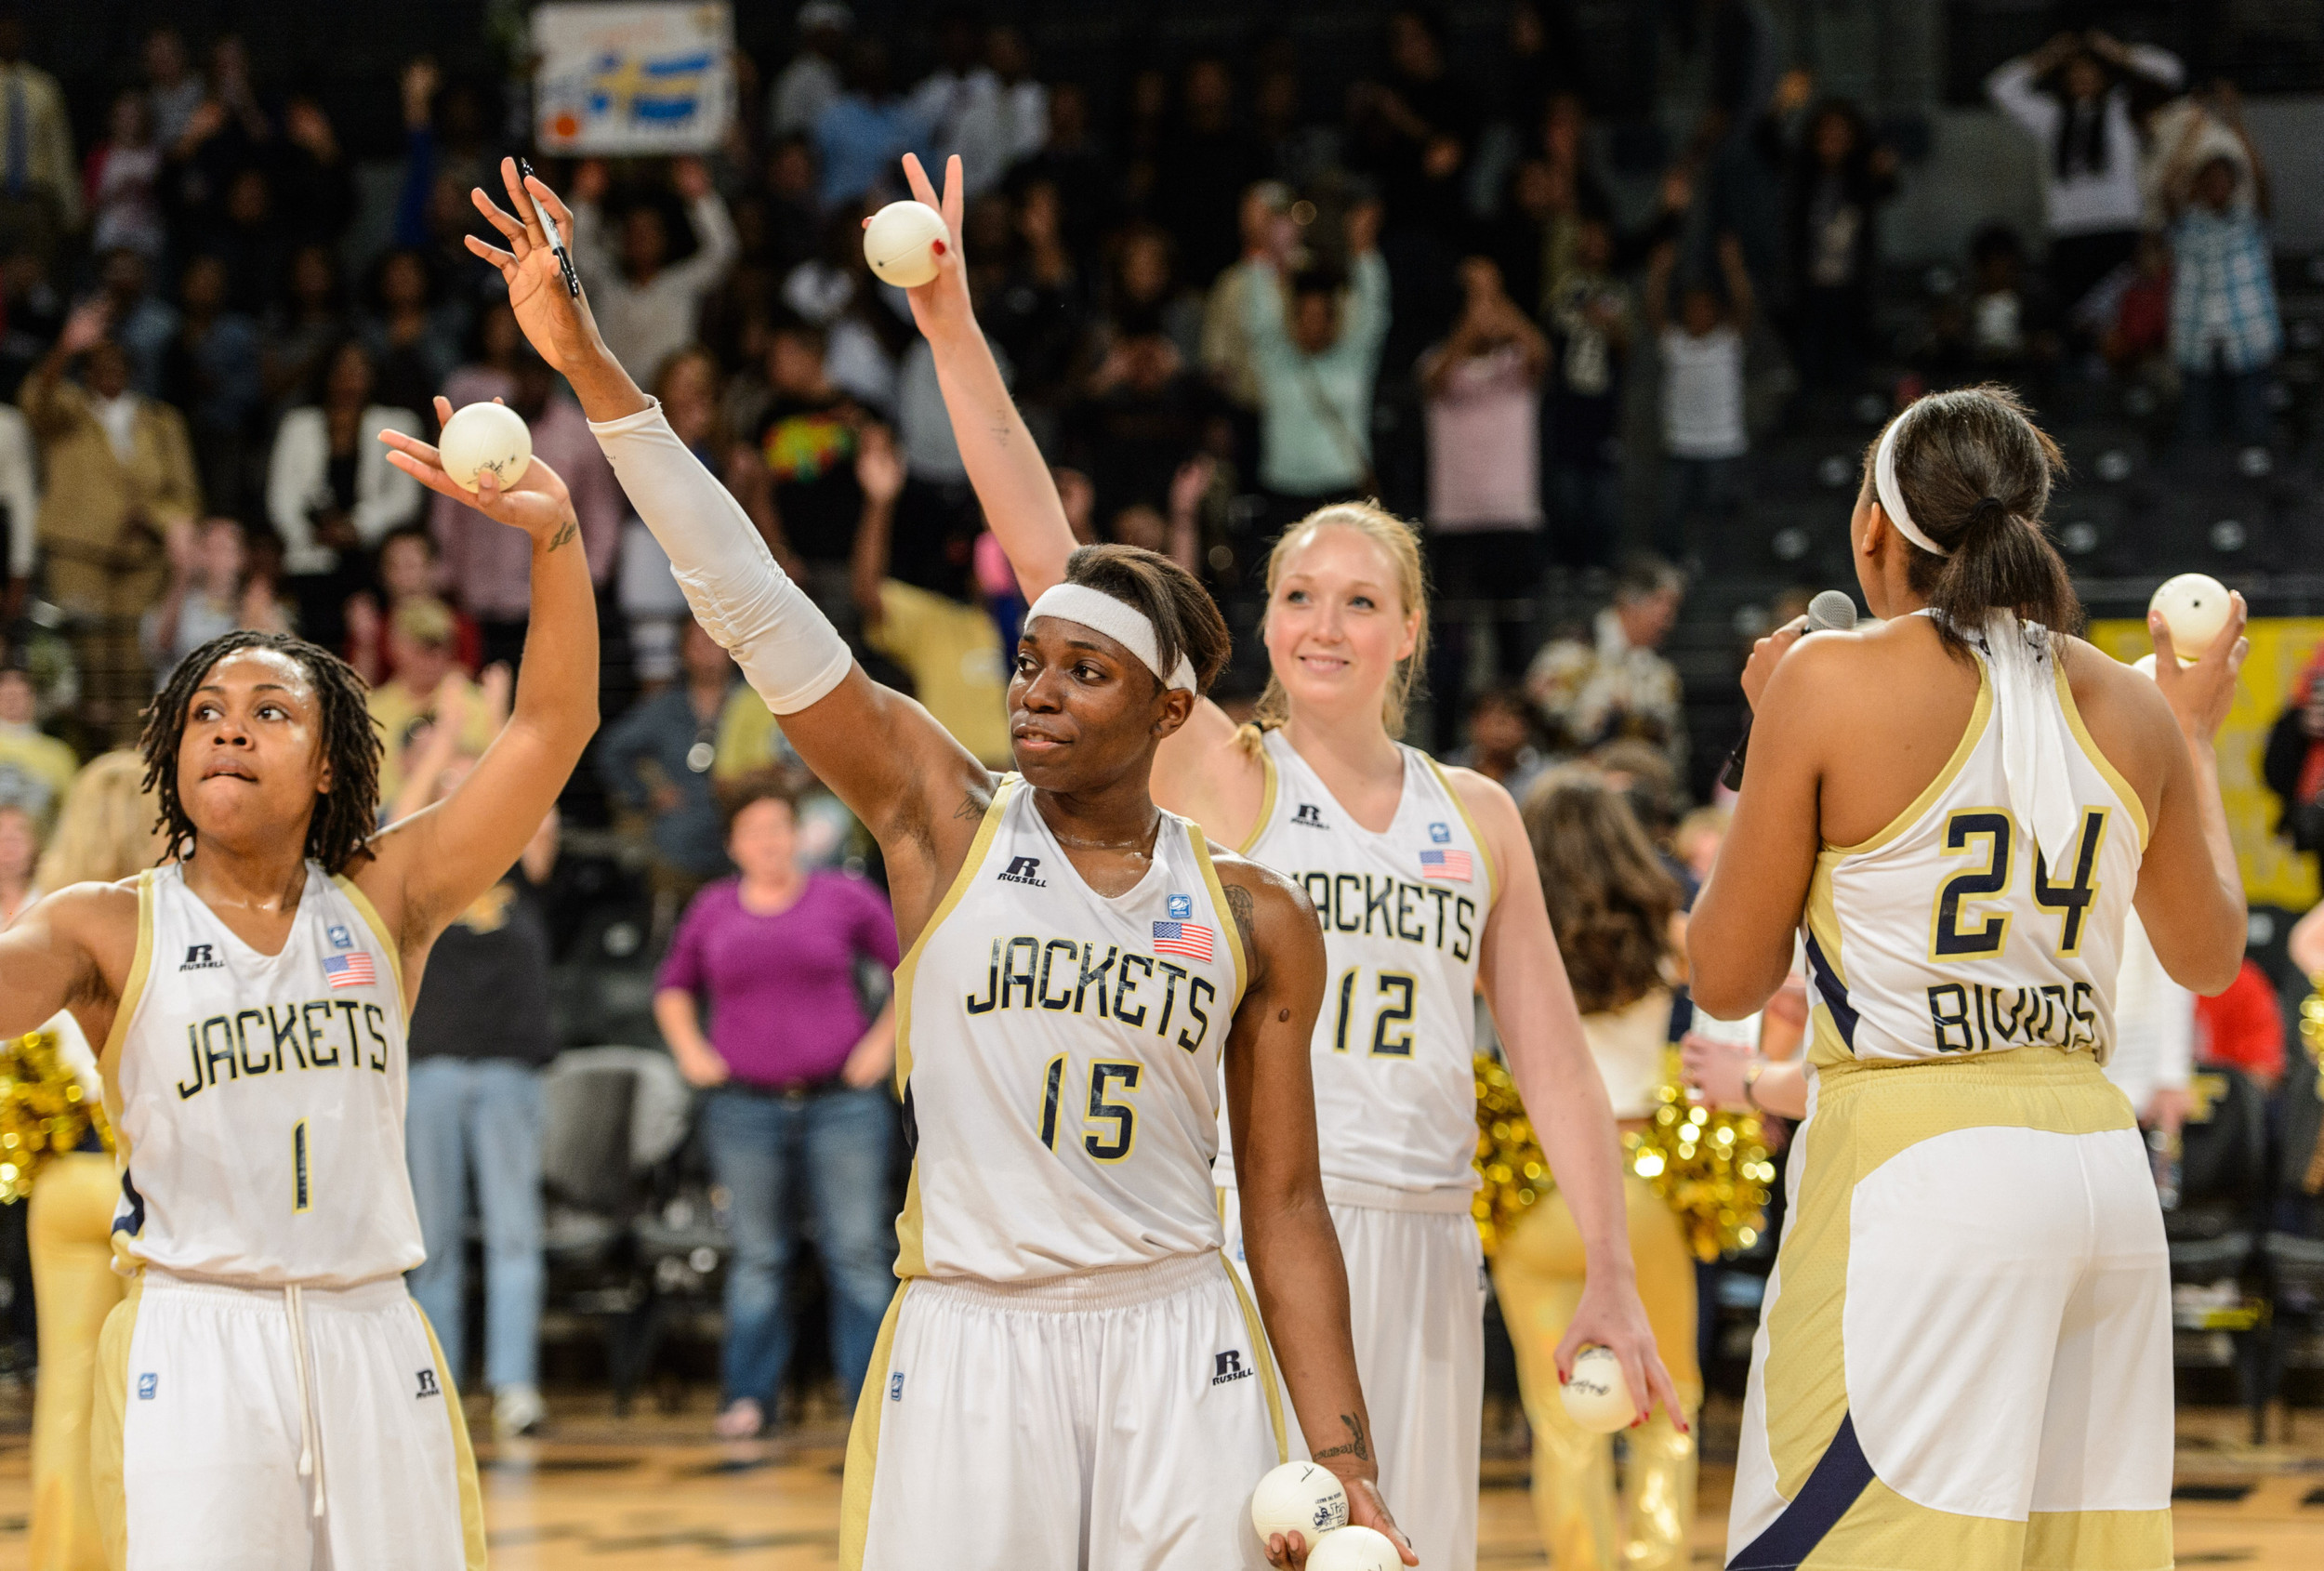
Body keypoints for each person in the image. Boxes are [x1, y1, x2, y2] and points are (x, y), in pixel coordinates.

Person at [474, 152, 1410, 1566]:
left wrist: (1350, 1462)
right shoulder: (942, 816)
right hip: (973, 1330)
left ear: (1167, 713)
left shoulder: (1257, 913)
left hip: (1181, 1336)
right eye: (1030, 660)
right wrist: (600, 373)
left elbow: (1283, 1204)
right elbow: (752, 602)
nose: (1033, 690)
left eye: (1082, 671)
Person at [907, 152, 1679, 1571]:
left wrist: (1614, 1276)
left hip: (1430, 1234)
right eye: (1298, 595)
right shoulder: (1222, 765)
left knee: (1413, 1554)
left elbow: (1557, 1062)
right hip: (1260, 1238)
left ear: (1409, 632)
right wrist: (956, 329)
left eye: (1359, 599)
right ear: (1260, 623)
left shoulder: (1480, 813)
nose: (1323, 621)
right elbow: (1049, 551)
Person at [0, 278, 601, 1566]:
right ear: (171, 753)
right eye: (210, 708)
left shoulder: (388, 891)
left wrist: (554, 544)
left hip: (372, 1324)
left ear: (329, 763)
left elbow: (551, 730)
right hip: (195, 1333)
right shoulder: (104, 923)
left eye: (274, 710)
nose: (232, 723)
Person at [1686, 384, 2247, 1569]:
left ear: (1871, 534)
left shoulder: (1825, 682)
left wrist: (1770, 733)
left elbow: (1728, 977)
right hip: (2099, 1172)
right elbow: (2206, 955)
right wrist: (2192, 738)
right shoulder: (2132, 704)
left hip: (1917, 1168)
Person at [1496, 767, 1701, 1571]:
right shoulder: (1671, 932)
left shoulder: (1503, 936)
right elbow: (1764, 1001)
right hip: (1642, 1188)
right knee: (1667, 1396)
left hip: (1536, 1193)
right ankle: (1656, 1558)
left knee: (1562, 1413)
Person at [654, 775, 901, 1441]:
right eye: (753, 831)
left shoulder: (843, 896)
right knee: (758, 1259)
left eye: (778, 828)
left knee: (857, 1254)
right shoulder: (711, 909)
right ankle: (749, 1396)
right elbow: (673, 990)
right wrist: (691, 1051)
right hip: (744, 1109)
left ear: (799, 834)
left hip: (841, 1106)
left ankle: (874, 1404)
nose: (768, 841)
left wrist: (883, 1043)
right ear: (733, 844)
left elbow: (914, 965)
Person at [20, 751, 167, 1571]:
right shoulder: (154, 922)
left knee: (68, 1390)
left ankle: (59, 1558)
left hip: (57, 1183)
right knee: (151, 1390)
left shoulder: (42, 920)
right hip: (136, 1182)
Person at [403, 752, 561, 1443]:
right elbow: (390, 826)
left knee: (515, 1234)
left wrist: (491, 749)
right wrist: (430, 762)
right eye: (450, 780)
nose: (466, 790)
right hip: (429, 1069)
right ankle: (436, 1382)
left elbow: (539, 789)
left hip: (508, 1072)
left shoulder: (522, 859)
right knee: (431, 1241)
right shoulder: (417, 869)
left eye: (478, 778)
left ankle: (515, 1388)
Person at [22, 303, 201, 737]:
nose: (108, 370)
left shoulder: (160, 421)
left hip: (143, 560)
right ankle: (81, 759)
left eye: (117, 361)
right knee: (82, 666)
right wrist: (64, 348)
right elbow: (34, 401)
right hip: (78, 556)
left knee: (136, 668)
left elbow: (183, 494)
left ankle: (131, 758)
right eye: (98, 362)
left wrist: (158, 521)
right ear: (83, 369)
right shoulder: (68, 408)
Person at [1419, 256, 1548, 746]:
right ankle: (1447, 743)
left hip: (1515, 521)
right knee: (1451, 644)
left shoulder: (1518, 363)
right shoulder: (1438, 362)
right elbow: (1433, 382)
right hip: (1455, 525)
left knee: (1514, 641)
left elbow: (1540, 352)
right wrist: (1474, 316)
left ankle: (1520, 742)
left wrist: (1495, 298)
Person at [1987, 32, 2184, 324]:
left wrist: (2118, 52)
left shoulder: (2123, 108)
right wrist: (2048, 57)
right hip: (2068, 233)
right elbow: (2000, 88)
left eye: (2091, 71)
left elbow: (2170, 73)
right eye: (2075, 72)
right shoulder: (2051, 117)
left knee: (2121, 319)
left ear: (2104, 76)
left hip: (2119, 228)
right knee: (2073, 323)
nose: (2083, 78)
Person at [265, 337, 424, 649]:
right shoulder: (298, 425)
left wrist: (358, 527)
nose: (349, 377)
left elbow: (406, 498)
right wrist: (310, 531)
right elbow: (281, 496)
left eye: (358, 369)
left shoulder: (398, 423)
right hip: (310, 560)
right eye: (341, 369)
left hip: (371, 562)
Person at [598, 618, 739, 931]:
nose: (706, 650)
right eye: (696, 642)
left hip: (739, 818)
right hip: (683, 822)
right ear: (682, 652)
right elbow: (612, 749)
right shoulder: (664, 707)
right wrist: (646, 794)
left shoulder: (751, 701)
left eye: (714, 640)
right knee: (671, 851)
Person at [569, 157, 738, 389]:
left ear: (665, 239)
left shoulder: (680, 285)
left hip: (670, 404)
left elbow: (722, 254)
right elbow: (572, 251)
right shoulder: (605, 284)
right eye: (635, 231)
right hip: (612, 400)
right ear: (622, 239)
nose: (642, 239)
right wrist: (584, 199)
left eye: (650, 231)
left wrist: (702, 198)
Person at [2162, 145, 2279, 451]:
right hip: (2198, 341)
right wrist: (2189, 140)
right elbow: (2166, 189)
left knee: (2253, 428)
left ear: (2234, 184)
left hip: (2246, 339)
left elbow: (2262, 179)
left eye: (2222, 179)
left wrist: (2235, 119)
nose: (2216, 186)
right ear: (2197, 186)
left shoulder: (2250, 221)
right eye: (2208, 180)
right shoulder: (2187, 225)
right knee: (2198, 432)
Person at [1525, 559, 1688, 773]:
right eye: (1663, 606)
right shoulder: (1569, 653)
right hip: (1570, 777)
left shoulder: (1662, 674)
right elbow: (1537, 726)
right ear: (1629, 601)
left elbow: (1674, 749)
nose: (1669, 621)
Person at [1645, 235, 1751, 563]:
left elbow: (1745, 306)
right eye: (1691, 307)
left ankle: (1718, 569)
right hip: (1680, 443)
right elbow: (1653, 313)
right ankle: (1674, 568)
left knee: (1718, 516)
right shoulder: (1676, 344)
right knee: (1670, 514)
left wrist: (1733, 267)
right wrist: (1659, 273)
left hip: (1722, 443)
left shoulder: (1727, 342)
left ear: (1716, 311)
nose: (1698, 313)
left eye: (1705, 307)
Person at [0, 664, 77, 831]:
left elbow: (72, 813)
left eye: (19, 695)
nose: (12, 701)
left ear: (32, 698)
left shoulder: (58, 754)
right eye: (6, 695)